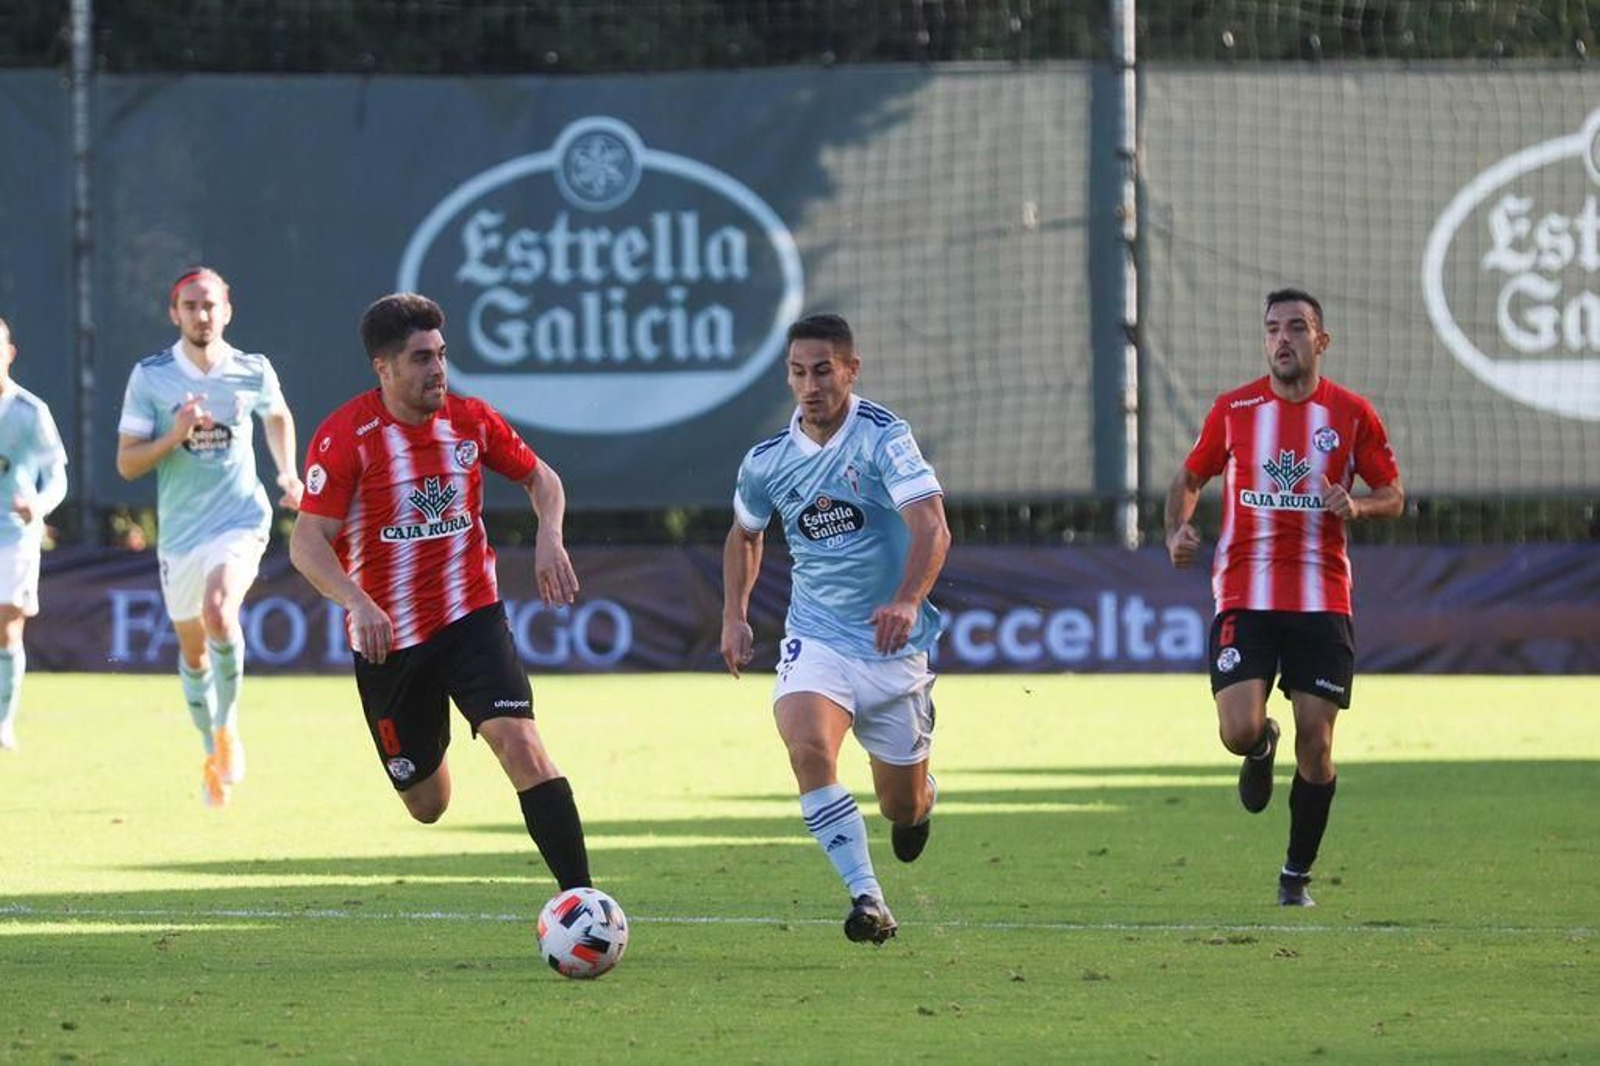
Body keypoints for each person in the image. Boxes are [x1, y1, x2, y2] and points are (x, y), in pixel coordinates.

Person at [289, 292, 591, 894]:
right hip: (391, 641)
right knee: (427, 803)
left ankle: (583, 900)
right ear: (384, 367)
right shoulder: (347, 437)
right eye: (422, 358)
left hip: (471, 618)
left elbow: (543, 479)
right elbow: (306, 543)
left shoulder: (471, 419)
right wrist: (357, 602)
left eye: (442, 355)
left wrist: (550, 536)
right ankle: (431, 739)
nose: (438, 370)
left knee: (521, 744)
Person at [1165, 288, 1403, 907]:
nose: (1283, 339)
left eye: (1297, 328)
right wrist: (1177, 529)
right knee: (1237, 731)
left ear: (1321, 341)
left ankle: (1296, 874)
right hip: (1245, 592)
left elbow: (1393, 494)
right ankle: (1259, 745)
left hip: (1322, 599)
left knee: (1317, 746)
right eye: (1273, 328)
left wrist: (1359, 505)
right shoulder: (1235, 409)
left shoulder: (1351, 413)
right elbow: (1190, 476)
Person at [722, 312, 951, 944]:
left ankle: (921, 799)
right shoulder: (767, 461)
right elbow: (745, 534)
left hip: (893, 649)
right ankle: (867, 898)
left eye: (823, 371)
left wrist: (907, 601)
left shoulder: (883, 439)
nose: (810, 386)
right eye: (798, 373)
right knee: (807, 748)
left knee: (902, 805)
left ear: (851, 370)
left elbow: (932, 526)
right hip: (817, 638)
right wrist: (734, 614)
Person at [116, 268, 303, 806]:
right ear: (174, 313)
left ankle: (228, 727)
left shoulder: (252, 369)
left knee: (220, 610)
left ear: (228, 310)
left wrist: (288, 474)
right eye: (191, 306)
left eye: (210, 305)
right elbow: (127, 463)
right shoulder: (151, 376)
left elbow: (277, 416)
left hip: (240, 518)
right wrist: (174, 435)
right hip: (179, 535)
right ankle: (209, 749)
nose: (202, 315)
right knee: (194, 653)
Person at [0, 316, 69, 750]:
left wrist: (38, 506)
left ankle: (3, 722)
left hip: (14, 535)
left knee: (7, 628)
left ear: (9, 353)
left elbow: (57, 475)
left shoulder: (30, 411)